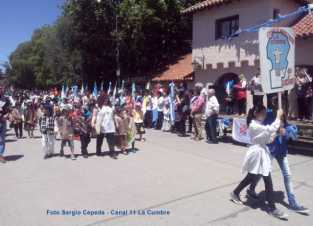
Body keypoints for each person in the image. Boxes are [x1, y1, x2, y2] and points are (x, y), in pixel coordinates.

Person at [230, 105, 288, 220]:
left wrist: (277, 133)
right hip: (257, 153)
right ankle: (272, 208)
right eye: (263, 113)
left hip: (262, 152)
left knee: (252, 176)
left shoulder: (258, 123)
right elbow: (269, 129)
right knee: (267, 179)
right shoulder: (253, 124)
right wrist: (277, 117)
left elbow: (267, 138)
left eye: (265, 113)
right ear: (256, 113)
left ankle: (235, 192)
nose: (265, 115)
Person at [247, 113, 309, 214]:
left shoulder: (283, 115)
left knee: (287, 175)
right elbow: (265, 130)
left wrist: (289, 131)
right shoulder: (269, 115)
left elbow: (289, 130)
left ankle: (292, 203)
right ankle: (251, 188)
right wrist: (276, 131)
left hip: (282, 151)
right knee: (263, 172)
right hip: (270, 150)